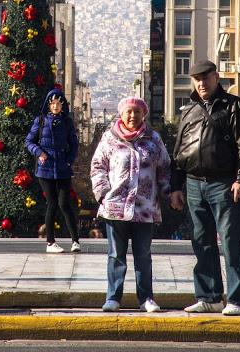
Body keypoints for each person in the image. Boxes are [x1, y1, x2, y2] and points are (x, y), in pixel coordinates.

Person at [170, 60, 240, 316]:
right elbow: (179, 151)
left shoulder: (233, 106)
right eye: (196, 78)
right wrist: (176, 186)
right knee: (201, 242)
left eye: (206, 77)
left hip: (224, 184)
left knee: (231, 242)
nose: (201, 82)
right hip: (195, 184)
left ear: (216, 78)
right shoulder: (188, 110)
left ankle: (237, 300)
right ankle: (209, 296)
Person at [91, 96, 171, 313]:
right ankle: (113, 297)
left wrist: (167, 193)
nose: (133, 116)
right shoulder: (109, 138)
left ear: (143, 114)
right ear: (121, 114)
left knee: (143, 255)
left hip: (145, 208)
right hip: (115, 207)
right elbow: (98, 166)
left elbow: (164, 167)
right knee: (116, 254)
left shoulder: (153, 139)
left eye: (137, 112)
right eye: (129, 112)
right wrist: (103, 193)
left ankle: (146, 298)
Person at [26, 88, 80, 254]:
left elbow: (74, 143)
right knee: (52, 204)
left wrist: (69, 160)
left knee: (65, 203)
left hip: (63, 168)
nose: (56, 106)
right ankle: (50, 242)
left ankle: (75, 241)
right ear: (48, 105)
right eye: (53, 103)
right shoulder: (40, 121)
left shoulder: (67, 122)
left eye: (59, 103)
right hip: (45, 169)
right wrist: (39, 153)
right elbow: (29, 141)